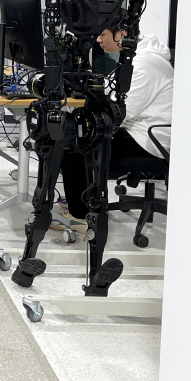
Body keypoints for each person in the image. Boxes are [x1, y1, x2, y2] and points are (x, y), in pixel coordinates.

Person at [57, 26, 173, 233]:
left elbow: (120, 113)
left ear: (122, 34)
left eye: (103, 35)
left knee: (75, 142)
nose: (98, 40)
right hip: (138, 127)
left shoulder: (144, 65)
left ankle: (81, 217)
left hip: (149, 139)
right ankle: (83, 203)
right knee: (79, 131)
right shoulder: (136, 57)